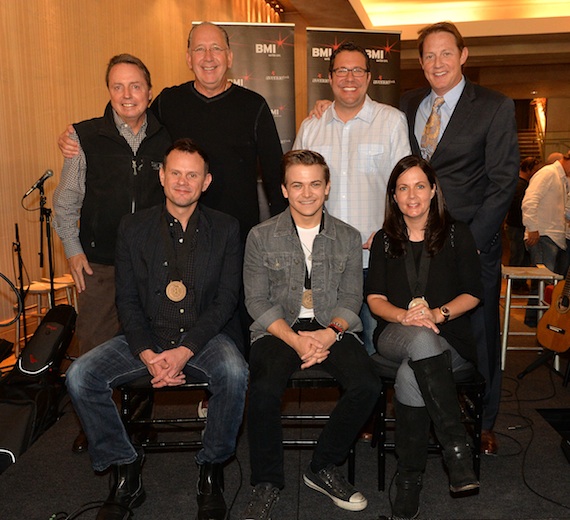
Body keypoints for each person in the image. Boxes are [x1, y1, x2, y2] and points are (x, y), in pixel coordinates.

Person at [65, 139, 248, 520]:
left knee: (234, 372)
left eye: (192, 175)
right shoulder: (132, 227)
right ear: (162, 176)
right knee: (81, 375)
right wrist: (147, 353)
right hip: (146, 335)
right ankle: (125, 469)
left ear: (206, 181)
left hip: (205, 338)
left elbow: (227, 300)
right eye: (176, 173)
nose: (183, 182)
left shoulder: (228, 228)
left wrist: (185, 351)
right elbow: (127, 300)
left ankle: (211, 471)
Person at [399, 21, 519, 455]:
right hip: (417, 245)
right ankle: (419, 410)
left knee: (479, 334)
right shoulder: (407, 102)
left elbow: (504, 181)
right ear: (420, 63)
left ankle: (484, 421)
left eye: (446, 53)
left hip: (472, 243)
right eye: (429, 56)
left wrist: (472, 241)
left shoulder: (494, 106)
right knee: (423, 325)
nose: (437, 63)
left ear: (464, 55)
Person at [242, 150, 381, 518]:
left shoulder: (348, 237)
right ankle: (267, 481)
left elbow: (353, 296)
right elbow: (255, 300)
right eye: (298, 185)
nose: (307, 193)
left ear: (327, 187)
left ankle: (322, 467)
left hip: (333, 328)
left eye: (315, 184)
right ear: (284, 190)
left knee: (368, 385)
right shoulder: (259, 236)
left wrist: (329, 334)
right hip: (277, 329)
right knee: (265, 388)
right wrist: (297, 340)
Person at [60, 22, 286, 241]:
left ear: (229, 57)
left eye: (216, 48)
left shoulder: (254, 106)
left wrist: (279, 238)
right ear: (189, 59)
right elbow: (131, 123)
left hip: (237, 238)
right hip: (176, 240)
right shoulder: (168, 102)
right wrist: (77, 137)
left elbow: (275, 178)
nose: (208, 57)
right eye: (199, 49)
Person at [53, 53, 171, 453]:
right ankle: (95, 423)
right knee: (95, 346)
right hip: (99, 265)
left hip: (152, 267)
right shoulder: (84, 138)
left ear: (149, 92)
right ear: (108, 91)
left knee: (146, 343)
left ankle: (139, 421)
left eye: (135, 85)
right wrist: (73, 250)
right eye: (117, 86)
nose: (126, 95)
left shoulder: (167, 138)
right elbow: (66, 202)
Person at [366, 155, 482, 520]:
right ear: (394, 196)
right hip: (394, 335)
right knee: (417, 338)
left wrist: (436, 314)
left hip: (450, 339)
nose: (411, 195)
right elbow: (374, 300)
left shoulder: (457, 234)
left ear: (433, 191)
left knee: (410, 371)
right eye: (402, 188)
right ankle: (456, 450)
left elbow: (474, 292)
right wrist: (405, 316)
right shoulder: (385, 239)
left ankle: (409, 480)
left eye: (419, 186)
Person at [293, 42, 411, 356]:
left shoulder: (391, 122)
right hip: (323, 263)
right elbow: (295, 190)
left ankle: (376, 406)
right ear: (329, 78)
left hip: (376, 261)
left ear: (369, 77)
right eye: (342, 70)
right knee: (330, 349)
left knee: (377, 347)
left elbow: (406, 187)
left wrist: (390, 231)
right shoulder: (311, 127)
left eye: (358, 70)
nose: (350, 77)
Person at [504, 156, 540, 293]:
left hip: (518, 226)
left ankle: (519, 283)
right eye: (535, 170)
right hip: (516, 226)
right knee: (517, 256)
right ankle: (515, 285)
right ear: (529, 169)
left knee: (522, 256)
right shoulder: (519, 185)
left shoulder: (521, 184)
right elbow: (518, 207)